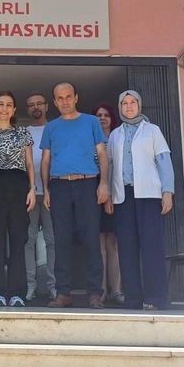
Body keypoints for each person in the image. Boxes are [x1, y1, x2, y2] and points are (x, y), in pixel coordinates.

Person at [41, 82, 108, 309]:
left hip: (87, 184)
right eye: (59, 98)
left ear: (76, 97)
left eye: (68, 96)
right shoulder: (51, 127)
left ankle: (94, 293)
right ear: (54, 101)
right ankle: (63, 292)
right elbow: (46, 161)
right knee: (61, 241)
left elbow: (102, 153)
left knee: (91, 240)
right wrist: (46, 189)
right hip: (59, 186)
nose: (64, 101)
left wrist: (104, 183)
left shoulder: (91, 122)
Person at [105, 90, 174, 310]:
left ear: (139, 105)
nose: (128, 106)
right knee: (127, 248)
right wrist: (108, 194)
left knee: (152, 247)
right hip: (123, 197)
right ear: (120, 107)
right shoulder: (115, 135)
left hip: (149, 195)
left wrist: (167, 191)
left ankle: (156, 298)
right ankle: (133, 299)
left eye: (132, 102)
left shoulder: (152, 130)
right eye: (124, 103)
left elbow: (164, 161)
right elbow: (110, 166)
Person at [0, 91, 36, 307]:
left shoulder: (23, 133)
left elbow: (29, 163)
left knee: (18, 239)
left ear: (14, 110)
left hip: (19, 185)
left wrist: (32, 189)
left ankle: (17, 293)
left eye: (8, 105)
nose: (4, 108)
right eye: (0, 104)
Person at [24, 92, 56, 301]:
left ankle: (53, 286)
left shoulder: (55, 128)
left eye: (39, 103)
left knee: (52, 240)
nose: (36, 107)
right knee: (29, 240)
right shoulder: (23, 132)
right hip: (29, 194)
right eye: (31, 104)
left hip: (52, 193)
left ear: (46, 106)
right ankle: (30, 285)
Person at [93, 103, 124, 306]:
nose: (102, 118)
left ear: (112, 118)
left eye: (106, 115)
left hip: (114, 192)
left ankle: (117, 290)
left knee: (113, 244)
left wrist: (110, 195)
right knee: (99, 244)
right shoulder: (90, 139)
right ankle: (101, 290)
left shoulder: (117, 138)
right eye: (98, 115)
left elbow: (117, 169)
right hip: (93, 193)